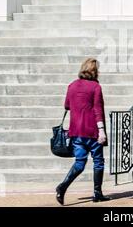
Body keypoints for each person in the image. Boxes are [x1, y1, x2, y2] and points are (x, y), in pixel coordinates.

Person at [56, 58, 110, 205]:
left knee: (80, 163)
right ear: (94, 71)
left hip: (76, 131)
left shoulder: (72, 85)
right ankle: (97, 193)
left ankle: (62, 187)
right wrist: (102, 131)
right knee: (98, 162)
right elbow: (97, 109)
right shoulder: (95, 87)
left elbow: (67, 105)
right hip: (92, 130)